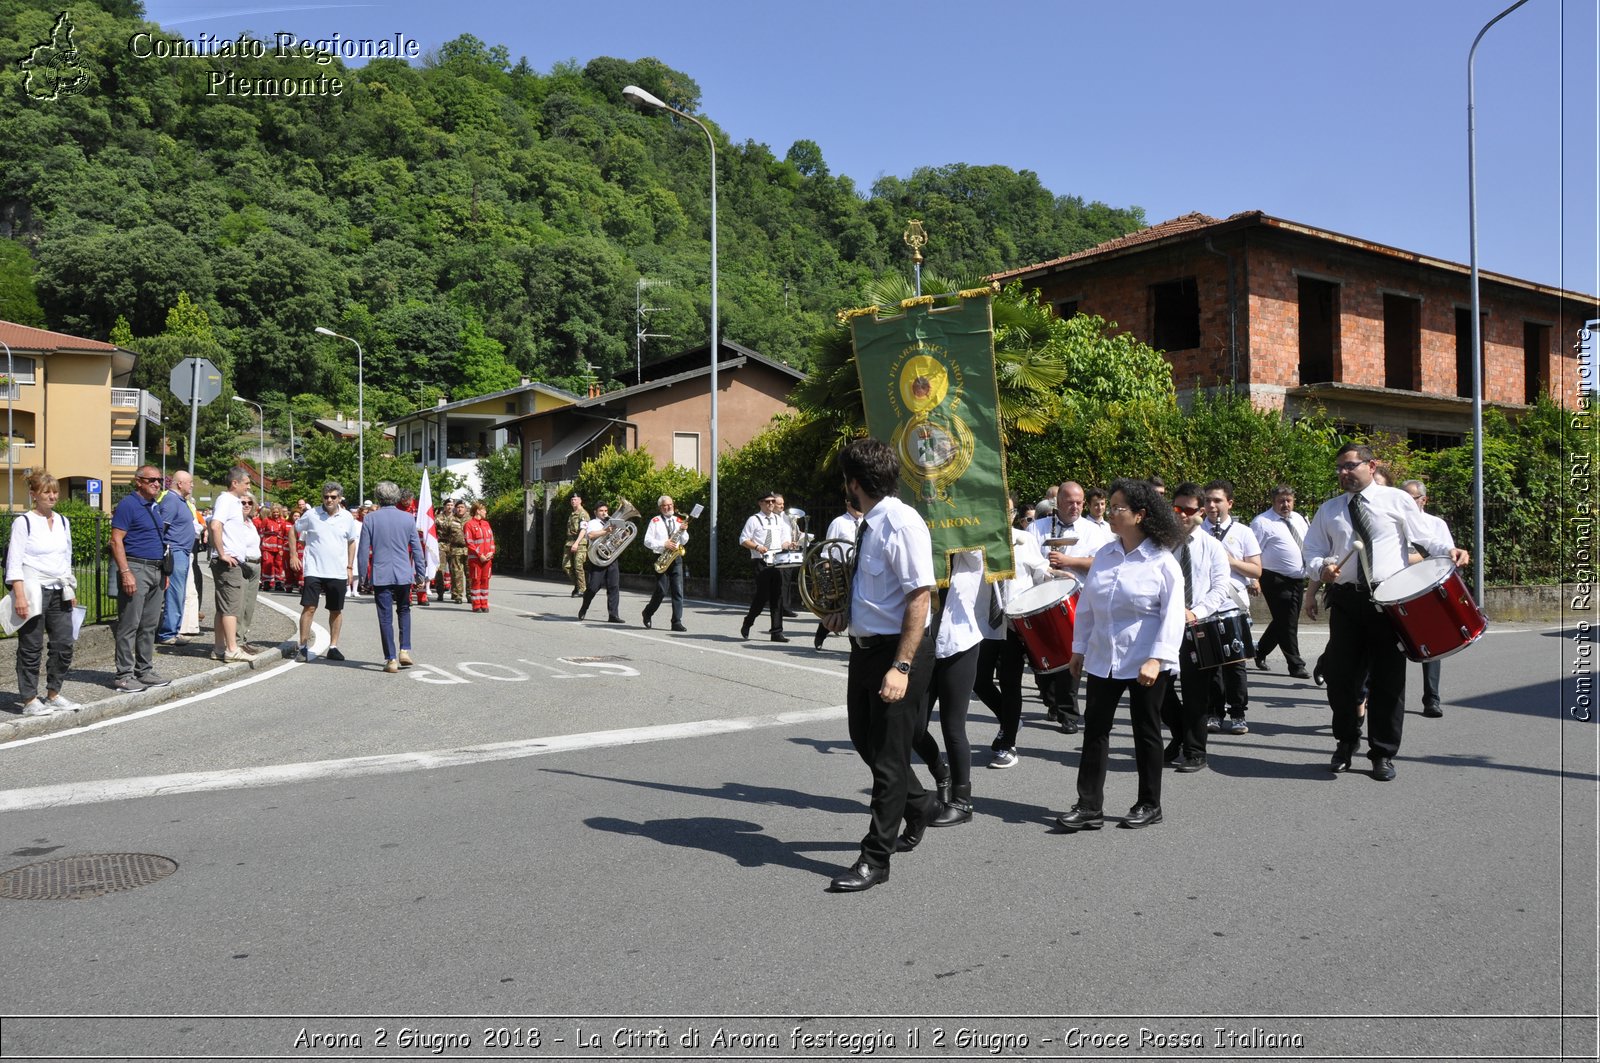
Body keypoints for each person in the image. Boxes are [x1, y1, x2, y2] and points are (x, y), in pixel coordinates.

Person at [820, 438, 946, 892]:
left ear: (855, 483)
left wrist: (903, 667)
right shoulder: (868, 524)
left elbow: (919, 597)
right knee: (864, 740)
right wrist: (844, 614)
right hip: (866, 649)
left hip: (899, 652)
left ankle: (875, 859)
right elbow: (879, 592)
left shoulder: (901, 523)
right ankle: (920, 803)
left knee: (890, 759)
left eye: (845, 481)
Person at [1302, 444, 1466, 781]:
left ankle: (1382, 753)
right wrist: (1322, 569)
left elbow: (1425, 537)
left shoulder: (1396, 500)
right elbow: (1312, 551)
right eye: (1339, 468)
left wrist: (1449, 549)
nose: (1344, 473)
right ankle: (1346, 741)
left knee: (1388, 682)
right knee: (1341, 679)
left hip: (1389, 602)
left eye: (1350, 466)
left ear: (1371, 464)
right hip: (1347, 601)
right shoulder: (1329, 509)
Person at [1056, 478, 1186, 832]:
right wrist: (1079, 648)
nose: (1111, 513)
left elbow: (1173, 615)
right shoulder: (1105, 555)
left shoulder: (1161, 561)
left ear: (1141, 515)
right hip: (1103, 658)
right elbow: (1088, 608)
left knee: (1146, 731)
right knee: (1095, 730)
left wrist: (1157, 658)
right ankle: (1088, 806)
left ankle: (1149, 803)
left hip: (1145, 661)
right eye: (1110, 507)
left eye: (1118, 508)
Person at [972, 496, 1054, 768]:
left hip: (1016, 622)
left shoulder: (1025, 539)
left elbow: (1040, 571)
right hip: (986, 622)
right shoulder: (978, 539)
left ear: (1013, 513)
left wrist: (1054, 575)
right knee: (979, 680)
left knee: (1010, 683)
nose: (1002, 515)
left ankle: (1009, 745)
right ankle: (1010, 720)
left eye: (1007, 511)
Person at [909, 548, 987, 827]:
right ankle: (941, 774)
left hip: (959, 644)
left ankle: (962, 801)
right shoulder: (922, 551)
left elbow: (971, 534)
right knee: (914, 727)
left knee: (953, 728)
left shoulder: (970, 557)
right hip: (925, 645)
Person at [1159, 483, 1234, 773]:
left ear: (1201, 512)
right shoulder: (1164, 545)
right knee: (1159, 689)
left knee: (1195, 693)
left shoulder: (1213, 547)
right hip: (1166, 626)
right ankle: (1179, 733)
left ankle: (1195, 750)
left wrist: (1195, 612)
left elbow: (1219, 589)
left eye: (1188, 510)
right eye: (1176, 509)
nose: (1181, 515)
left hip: (1199, 625)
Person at [1028, 480, 1113, 733]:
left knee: (1069, 653)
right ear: (1058, 503)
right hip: (1040, 598)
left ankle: (1069, 713)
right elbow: (1030, 560)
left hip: (1075, 599)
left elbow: (1100, 562)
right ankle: (1051, 701)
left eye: (1079, 502)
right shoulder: (1037, 528)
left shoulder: (1092, 531)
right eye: (1069, 502)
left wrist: (1069, 561)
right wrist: (1047, 570)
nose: (1075, 507)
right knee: (1041, 655)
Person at [7, 471, 79, 714]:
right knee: (31, 646)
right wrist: (19, 595)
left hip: (60, 589)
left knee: (63, 644)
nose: (52, 496)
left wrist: (70, 586)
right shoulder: (23, 522)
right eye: (46, 492)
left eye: (55, 492)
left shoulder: (62, 521)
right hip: (34, 589)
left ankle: (53, 693)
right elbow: (14, 562)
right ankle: (29, 699)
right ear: (33, 495)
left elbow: (65, 557)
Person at [1200, 479, 1262, 735]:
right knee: (1209, 664)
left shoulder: (1243, 532)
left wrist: (1231, 561)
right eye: (1208, 501)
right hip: (1204, 606)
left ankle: (1238, 712)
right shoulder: (1197, 531)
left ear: (1229, 503)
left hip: (1233, 605)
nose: (1212, 505)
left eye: (1217, 500)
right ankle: (1214, 712)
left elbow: (1256, 569)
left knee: (1235, 663)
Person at [109, 464, 173, 692]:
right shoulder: (129, 504)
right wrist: (126, 572)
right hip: (136, 567)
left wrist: (164, 572)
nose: (157, 483)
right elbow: (116, 540)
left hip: (156, 569)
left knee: (149, 624)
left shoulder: (154, 506)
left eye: (160, 480)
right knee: (129, 624)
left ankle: (144, 670)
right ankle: (124, 675)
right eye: (151, 480)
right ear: (139, 481)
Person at [358, 480, 427, 673]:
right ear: (396, 497)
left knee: (385, 617)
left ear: (379, 497)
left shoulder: (370, 519)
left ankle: (391, 659)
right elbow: (416, 549)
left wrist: (363, 576)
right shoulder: (407, 519)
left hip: (381, 574)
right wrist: (420, 572)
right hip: (404, 572)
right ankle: (405, 649)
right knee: (404, 610)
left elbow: (363, 551)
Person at [1401, 479, 1455, 718]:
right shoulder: (1396, 521)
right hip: (1399, 590)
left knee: (1431, 646)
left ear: (1424, 500)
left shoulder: (1436, 524)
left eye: (1412, 497)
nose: (1407, 501)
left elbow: (1445, 555)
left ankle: (1431, 699)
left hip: (1426, 590)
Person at [289, 480, 360, 663]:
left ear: (339, 498)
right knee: (309, 607)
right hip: (314, 569)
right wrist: (293, 555)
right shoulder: (311, 515)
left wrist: (350, 567)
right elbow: (292, 530)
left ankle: (333, 647)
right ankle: (303, 647)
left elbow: (352, 542)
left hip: (337, 571)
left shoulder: (346, 517)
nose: (329, 500)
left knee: (335, 610)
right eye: (326, 496)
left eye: (333, 497)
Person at [1250, 484, 1312, 679]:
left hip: (1297, 579)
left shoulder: (1299, 519)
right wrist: (1253, 579)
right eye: (1281, 501)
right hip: (1274, 578)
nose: (1285, 505)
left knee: (1284, 620)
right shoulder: (1262, 522)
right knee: (1288, 622)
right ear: (1273, 502)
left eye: (1289, 500)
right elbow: (1252, 552)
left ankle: (1260, 650)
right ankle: (1295, 664)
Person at [210, 469, 263, 663]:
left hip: (231, 560)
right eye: (246, 483)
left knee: (223, 608)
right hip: (228, 562)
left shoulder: (231, 501)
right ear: (235, 483)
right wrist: (223, 553)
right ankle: (232, 649)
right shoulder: (226, 500)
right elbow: (215, 525)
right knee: (232, 608)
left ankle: (219, 647)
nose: (249, 487)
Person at [739, 491, 799, 643]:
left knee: (777, 596)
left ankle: (776, 632)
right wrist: (757, 546)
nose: (771, 504)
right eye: (768, 502)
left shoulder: (780, 520)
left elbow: (783, 541)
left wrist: (790, 545)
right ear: (760, 503)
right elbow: (743, 539)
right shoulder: (754, 519)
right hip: (761, 562)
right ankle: (748, 621)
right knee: (762, 596)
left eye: (773, 501)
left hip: (777, 561)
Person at [155, 470, 201, 648]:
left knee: (179, 592)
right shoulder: (172, 501)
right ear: (180, 483)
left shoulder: (180, 501)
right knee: (175, 592)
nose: (192, 485)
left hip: (181, 551)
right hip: (175, 551)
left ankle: (172, 630)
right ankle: (168, 632)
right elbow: (162, 527)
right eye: (190, 482)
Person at [812, 496, 862, 649]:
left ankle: (856, 642)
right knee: (838, 606)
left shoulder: (867, 521)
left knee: (857, 606)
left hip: (859, 567)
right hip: (840, 568)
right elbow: (828, 548)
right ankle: (822, 633)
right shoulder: (838, 522)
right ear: (847, 503)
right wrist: (828, 572)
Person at [641, 495, 688, 632]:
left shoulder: (678, 520)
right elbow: (647, 541)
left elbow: (684, 540)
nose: (668, 508)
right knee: (661, 590)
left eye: (670, 505)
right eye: (665, 506)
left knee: (678, 591)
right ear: (660, 508)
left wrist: (684, 530)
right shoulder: (655, 521)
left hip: (676, 558)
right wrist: (664, 544)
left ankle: (676, 622)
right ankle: (647, 613)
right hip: (660, 557)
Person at [577, 502, 624, 624]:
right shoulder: (593, 523)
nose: (604, 513)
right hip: (597, 557)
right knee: (593, 587)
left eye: (606, 510)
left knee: (614, 587)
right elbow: (591, 535)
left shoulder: (612, 523)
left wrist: (621, 535)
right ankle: (584, 607)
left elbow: (619, 539)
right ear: (595, 512)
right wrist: (606, 531)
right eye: (601, 511)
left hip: (611, 556)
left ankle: (613, 615)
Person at [463, 502, 496, 612]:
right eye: (484, 510)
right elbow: (469, 542)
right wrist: (480, 554)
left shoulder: (486, 524)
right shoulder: (469, 524)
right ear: (478, 510)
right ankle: (476, 605)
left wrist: (491, 551)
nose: (485, 512)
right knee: (476, 580)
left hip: (487, 558)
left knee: (485, 580)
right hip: (476, 559)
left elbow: (491, 539)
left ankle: (484, 604)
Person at [436, 499, 467, 604]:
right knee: (441, 570)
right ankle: (440, 592)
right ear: (444, 506)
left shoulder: (467, 518)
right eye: (448, 505)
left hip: (459, 547)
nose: (450, 507)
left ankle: (460, 593)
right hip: (442, 545)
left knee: (458, 572)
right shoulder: (440, 518)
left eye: (451, 505)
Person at [563, 493, 589, 598]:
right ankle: (578, 585)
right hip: (569, 542)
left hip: (580, 543)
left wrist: (576, 543)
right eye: (572, 500)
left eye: (575, 499)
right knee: (566, 566)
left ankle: (582, 590)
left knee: (578, 566)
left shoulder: (583, 514)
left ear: (580, 500)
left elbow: (583, 529)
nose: (573, 501)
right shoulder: (572, 513)